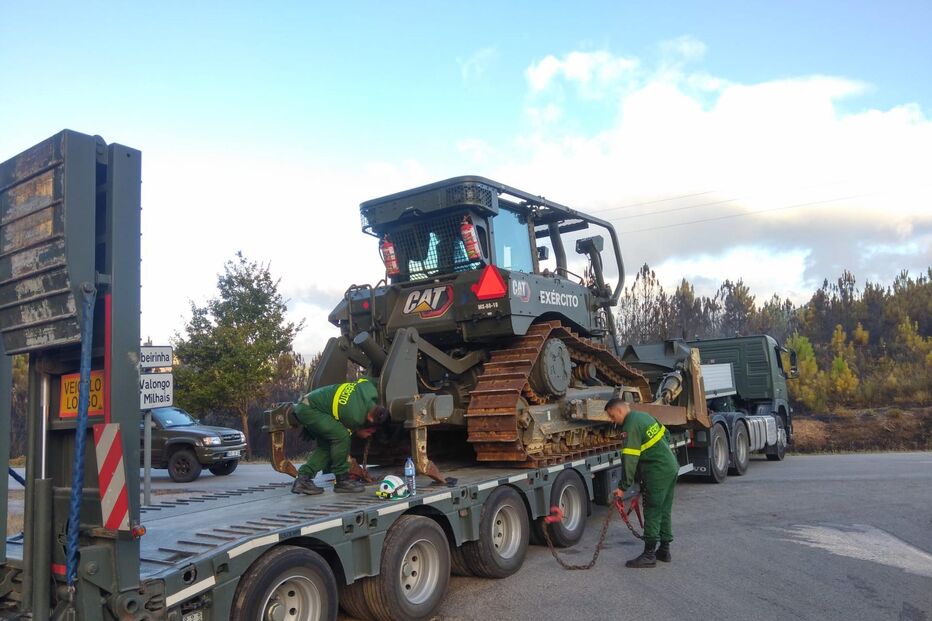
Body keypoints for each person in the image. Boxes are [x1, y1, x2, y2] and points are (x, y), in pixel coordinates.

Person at [604, 398, 678, 568]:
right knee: (664, 508)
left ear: (620, 411)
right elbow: (666, 434)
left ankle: (649, 555)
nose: (612, 420)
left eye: (612, 416)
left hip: (657, 472)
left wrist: (623, 487)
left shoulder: (630, 426)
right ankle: (664, 550)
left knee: (652, 509)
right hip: (670, 466)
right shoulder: (644, 416)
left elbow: (629, 459)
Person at [291, 378, 389, 495]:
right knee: (341, 437)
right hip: (311, 410)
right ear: (370, 419)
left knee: (326, 446)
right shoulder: (355, 417)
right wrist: (360, 431)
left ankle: (303, 479)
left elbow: (366, 378)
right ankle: (342, 480)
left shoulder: (369, 389)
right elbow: (345, 434)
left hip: (308, 403)